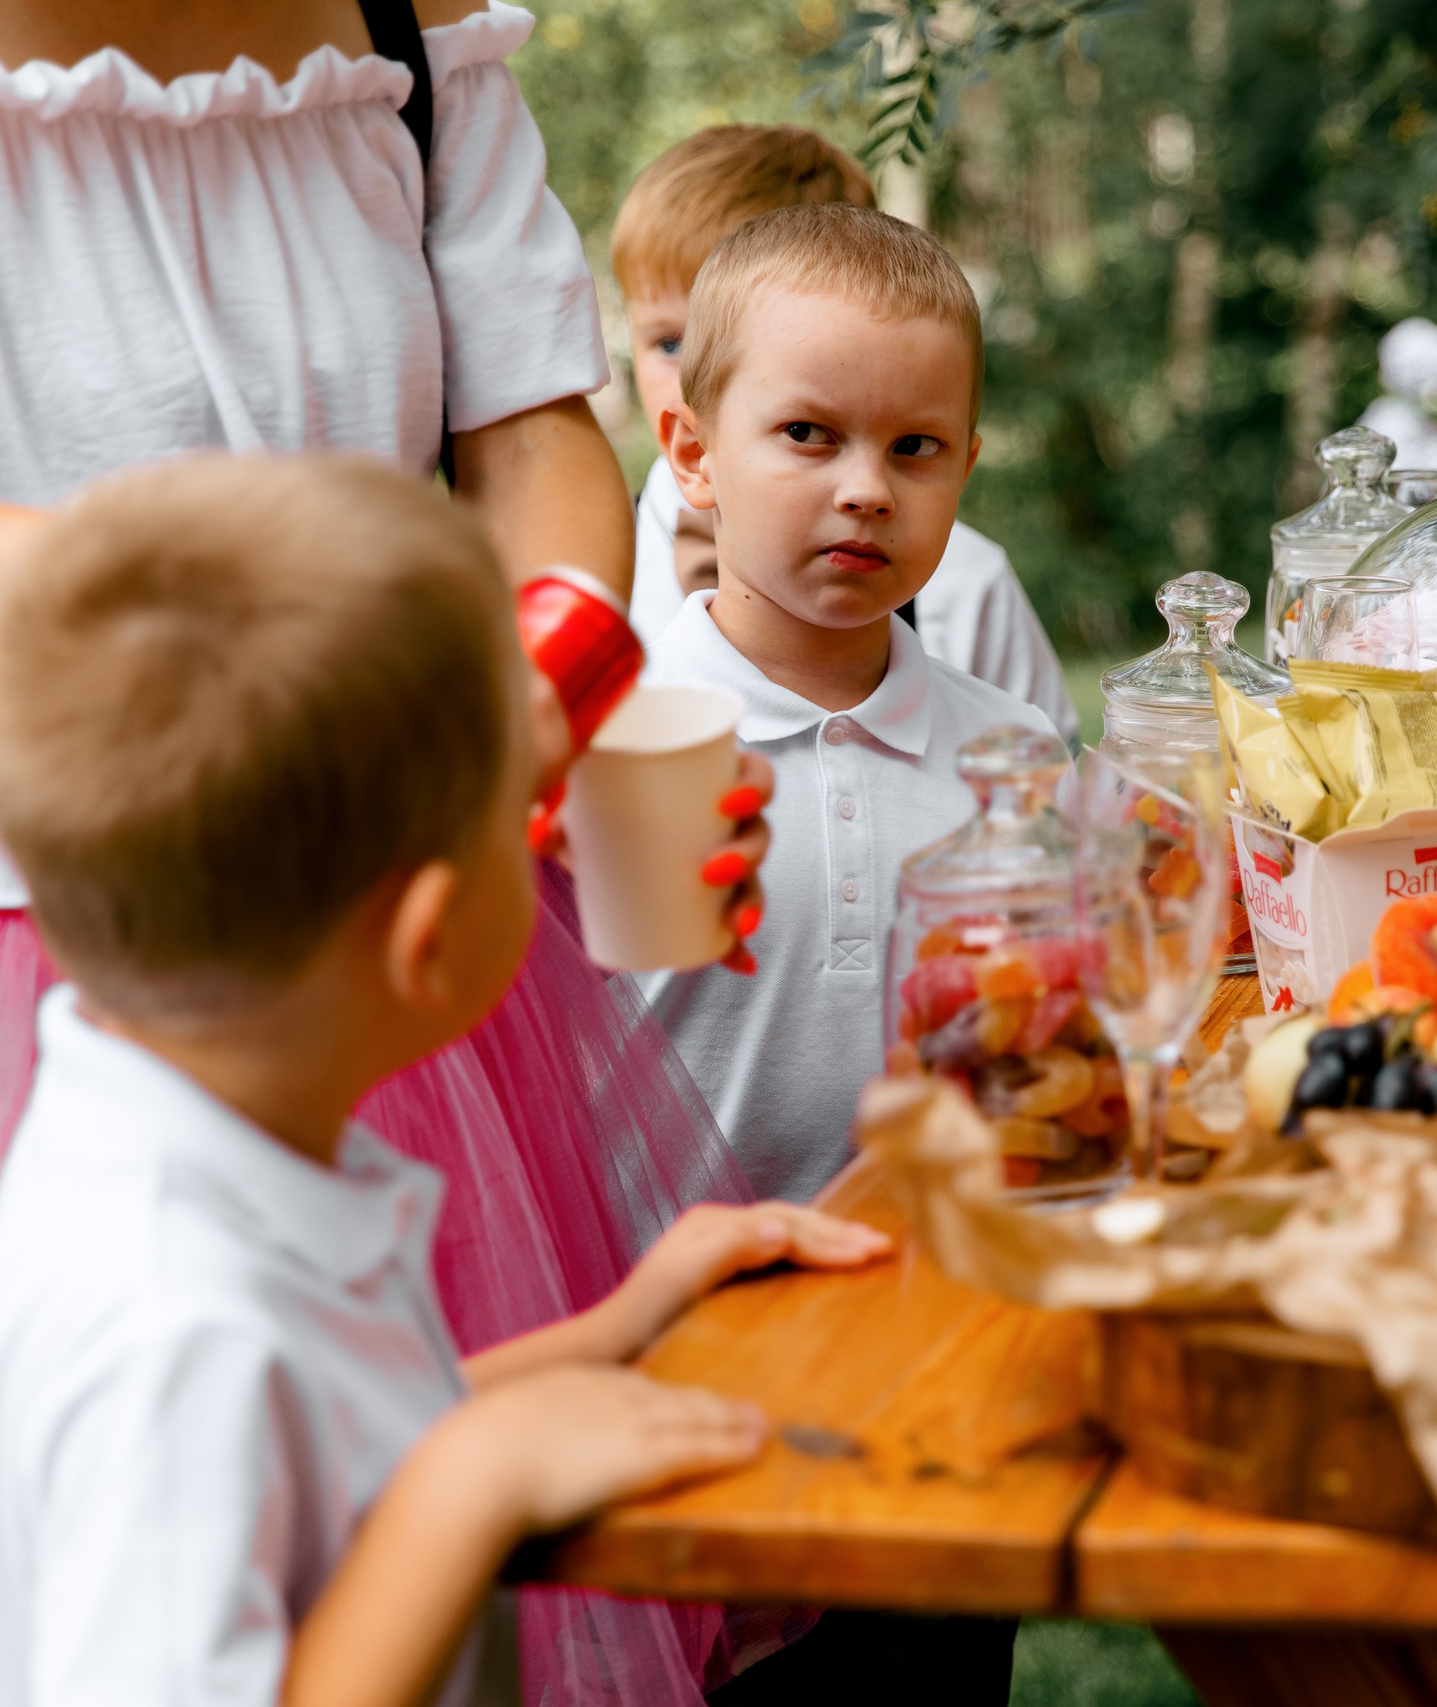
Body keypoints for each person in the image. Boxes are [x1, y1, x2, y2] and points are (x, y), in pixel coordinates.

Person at [0, 2, 762, 1701]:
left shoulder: (409, 34)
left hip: (370, 875)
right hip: (27, 949)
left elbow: (531, 425)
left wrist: (538, 688)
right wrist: (235, 613)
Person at [0, 453, 891, 1707]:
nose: (552, 847)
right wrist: (475, 1479)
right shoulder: (167, 1322)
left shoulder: (210, 1144)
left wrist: (618, 1329)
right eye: (528, 817)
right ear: (427, 938)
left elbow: (326, 1448)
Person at [637, 202, 1034, 1706]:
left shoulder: (1009, 762)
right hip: (673, 1384)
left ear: (965, 467)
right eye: (807, 434)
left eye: (915, 448)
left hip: (941, 1386)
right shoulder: (623, 749)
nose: (866, 487)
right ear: (691, 452)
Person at [610, 124, 1080, 744]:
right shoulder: (582, 565)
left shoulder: (966, 584)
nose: (696, 375)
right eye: (673, 343)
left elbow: (1043, 772)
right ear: (692, 448)